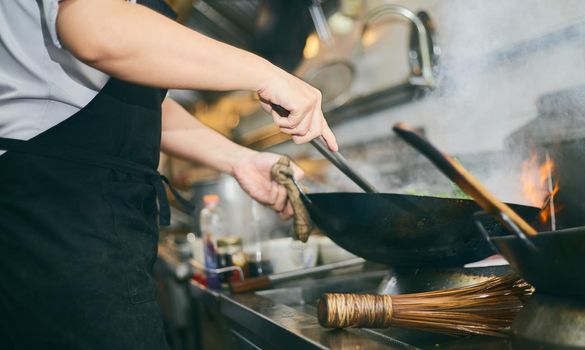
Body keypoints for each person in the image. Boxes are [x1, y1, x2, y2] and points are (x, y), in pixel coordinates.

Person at [0, 0, 338, 348]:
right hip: (56, 211)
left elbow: (135, 102)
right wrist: (268, 73)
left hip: (70, 213)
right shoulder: (100, 19)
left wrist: (239, 159)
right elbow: (97, 28)